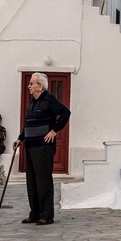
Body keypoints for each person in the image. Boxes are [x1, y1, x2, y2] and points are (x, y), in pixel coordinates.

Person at [12, 72, 70, 226]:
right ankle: (35, 213)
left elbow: (65, 113)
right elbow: (29, 124)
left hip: (43, 148)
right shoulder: (32, 102)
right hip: (30, 147)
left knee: (43, 181)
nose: (29, 86)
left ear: (40, 86)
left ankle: (46, 216)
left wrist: (54, 130)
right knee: (31, 181)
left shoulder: (48, 100)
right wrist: (20, 138)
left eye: (31, 83)